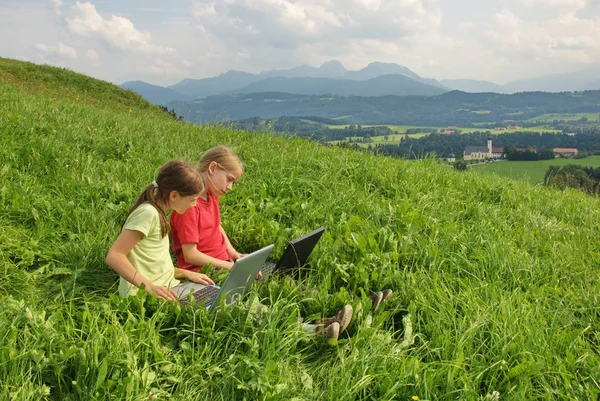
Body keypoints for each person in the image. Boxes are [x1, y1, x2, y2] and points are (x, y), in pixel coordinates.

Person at [170, 146, 354, 339]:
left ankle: (339, 305)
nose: (230, 187)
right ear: (213, 168)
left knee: (280, 276)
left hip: (226, 264)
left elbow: (217, 227)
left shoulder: (211, 196)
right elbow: (190, 255)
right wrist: (230, 267)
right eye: (229, 179)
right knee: (255, 303)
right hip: (205, 273)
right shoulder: (189, 206)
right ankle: (310, 331)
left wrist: (234, 254)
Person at [106, 159, 215, 301]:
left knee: (217, 301)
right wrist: (150, 288)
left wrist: (187, 273)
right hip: (144, 295)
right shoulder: (148, 213)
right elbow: (114, 256)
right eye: (192, 199)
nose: (194, 205)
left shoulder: (158, 213)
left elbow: (153, 267)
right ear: (174, 195)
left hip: (168, 288)